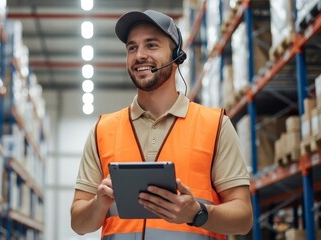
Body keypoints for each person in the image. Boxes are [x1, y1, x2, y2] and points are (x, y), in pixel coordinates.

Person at [70, 9, 253, 240]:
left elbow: (244, 218)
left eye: (152, 45)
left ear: (177, 57)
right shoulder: (103, 130)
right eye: (132, 48)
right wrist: (99, 203)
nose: (139, 55)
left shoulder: (215, 125)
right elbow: (78, 223)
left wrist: (198, 213)